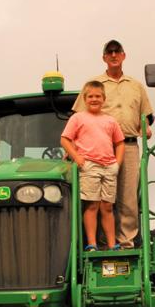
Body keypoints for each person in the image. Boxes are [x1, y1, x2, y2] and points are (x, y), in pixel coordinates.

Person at [73, 39, 154, 249]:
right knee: (98, 199)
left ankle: (125, 243)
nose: (114, 55)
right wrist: (73, 148)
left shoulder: (136, 86)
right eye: (109, 52)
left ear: (124, 55)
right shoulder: (94, 85)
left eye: (117, 52)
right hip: (98, 147)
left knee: (128, 198)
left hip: (127, 145)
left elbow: (145, 114)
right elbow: (79, 116)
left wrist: (145, 124)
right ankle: (100, 243)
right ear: (104, 58)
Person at [61, 80, 125, 252]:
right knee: (92, 205)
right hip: (89, 165)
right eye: (91, 96)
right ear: (85, 98)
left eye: (98, 96)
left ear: (104, 98)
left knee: (107, 206)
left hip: (109, 166)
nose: (94, 99)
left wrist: (117, 163)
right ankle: (92, 244)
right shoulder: (78, 118)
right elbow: (65, 139)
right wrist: (77, 157)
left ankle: (112, 244)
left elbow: (120, 143)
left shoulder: (110, 121)